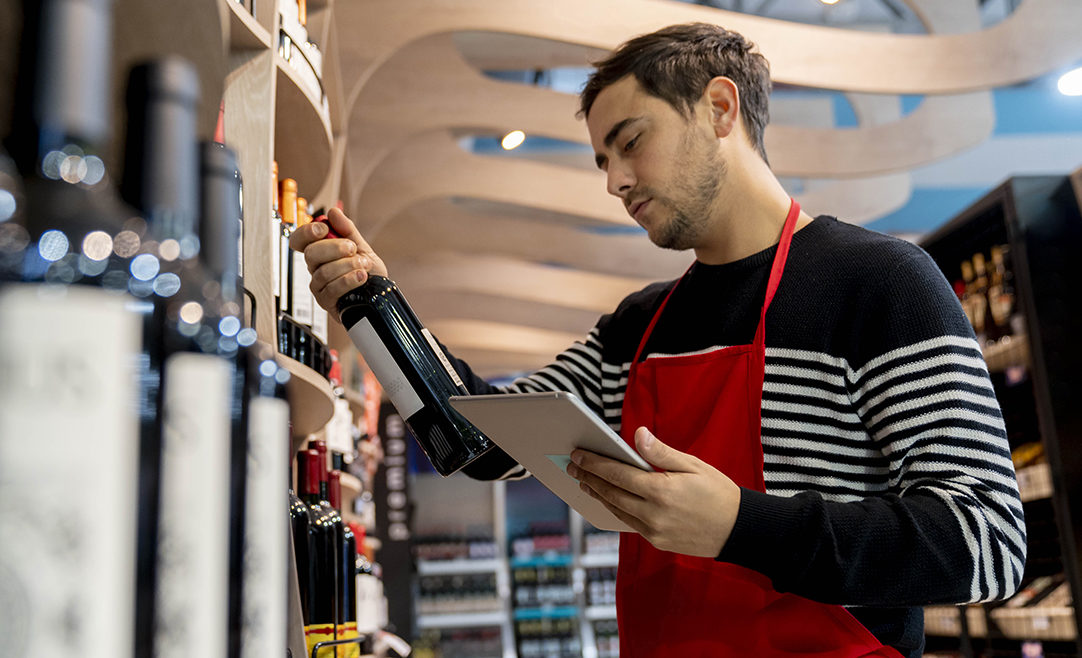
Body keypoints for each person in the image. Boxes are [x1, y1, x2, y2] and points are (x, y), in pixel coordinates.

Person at [293, 22, 1025, 658]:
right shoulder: (637, 330)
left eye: (629, 142)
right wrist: (369, 303)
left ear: (718, 108)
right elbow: (478, 442)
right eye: (601, 161)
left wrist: (741, 526)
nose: (613, 180)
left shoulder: (879, 284)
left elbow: (987, 541)